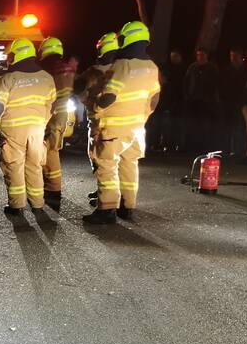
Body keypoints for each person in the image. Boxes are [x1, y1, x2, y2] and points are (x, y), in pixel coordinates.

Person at [83, 21, 160, 225]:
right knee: (129, 165)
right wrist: (142, 116)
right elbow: (154, 99)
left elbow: (109, 96)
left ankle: (107, 209)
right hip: (136, 128)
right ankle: (127, 206)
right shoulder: (151, 66)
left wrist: (96, 107)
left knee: (106, 165)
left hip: (113, 127)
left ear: (129, 39)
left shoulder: (122, 65)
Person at [0, 38, 55, 215]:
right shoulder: (47, 77)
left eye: (10, 55)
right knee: (34, 166)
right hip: (37, 130)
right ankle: (38, 204)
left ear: (18, 54)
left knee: (14, 167)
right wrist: (42, 123)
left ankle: (17, 206)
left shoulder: (9, 78)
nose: (9, 59)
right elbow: (51, 106)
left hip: (13, 132)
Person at [75, 32, 119, 205]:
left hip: (99, 121)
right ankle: (106, 191)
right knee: (114, 160)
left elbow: (77, 86)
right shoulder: (121, 69)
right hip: (119, 121)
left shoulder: (95, 71)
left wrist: (86, 101)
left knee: (99, 158)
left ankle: (106, 197)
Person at [37, 37, 74, 206]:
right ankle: (52, 187)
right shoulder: (64, 67)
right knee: (52, 148)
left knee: (50, 150)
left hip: (52, 114)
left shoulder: (49, 68)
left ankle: (53, 189)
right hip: (61, 113)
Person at [184, 47, 221, 151]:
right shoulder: (192, 67)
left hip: (206, 101)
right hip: (193, 100)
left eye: (202, 55)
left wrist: (211, 98)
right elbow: (186, 82)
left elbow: (215, 84)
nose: (200, 57)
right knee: (193, 124)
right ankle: (192, 146)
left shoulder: (212, 68)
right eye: (198, 55)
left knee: (204, 125)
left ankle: (204, 146)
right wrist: (187, 96)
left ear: (206, 56)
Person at [221, 46, 247, 157]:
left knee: (239, 127)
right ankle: (227, 148)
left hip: (240, 101)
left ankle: (237, 149)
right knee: (227, 126)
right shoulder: (226, 69)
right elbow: (222, 84)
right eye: (231, 56)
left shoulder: (246, 69)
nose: (233, 58)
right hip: (228, 101)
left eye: (235, 56)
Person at [161, 49, 187, 150]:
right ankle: (168, 144)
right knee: (169, 124)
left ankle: (179, 144)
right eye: (172, 57)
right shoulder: (168, 68)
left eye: (175, 57)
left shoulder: (184, 69)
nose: (173, 59)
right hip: (169, 100)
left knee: (179, 124)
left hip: (180, 99)